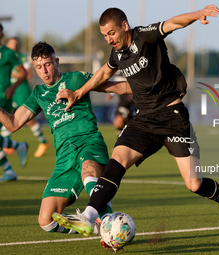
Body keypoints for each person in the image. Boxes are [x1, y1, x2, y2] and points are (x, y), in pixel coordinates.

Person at [53, 5, 219, 246]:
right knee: (118, 159)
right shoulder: (118, 55)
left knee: (194, 184)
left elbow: (173, 23)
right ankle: (89, 216)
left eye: (111, 32)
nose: (108, 39)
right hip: (143, 119)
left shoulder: (145, 35)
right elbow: (104, 72)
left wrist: (197, 15)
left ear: (125, 25)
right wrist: (79, 92)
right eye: (104, 35)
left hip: (172, 117)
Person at [0, 41, 131, 234]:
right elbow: (12, 124)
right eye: (38, 67)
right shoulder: (38, 94)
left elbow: (116, 87)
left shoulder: (76, 79)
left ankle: (109, 228)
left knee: (89, 176)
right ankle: (96, 229)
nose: (43, 71)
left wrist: (150, 88)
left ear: (57, 61)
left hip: (88, 143)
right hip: (64, 158)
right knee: (46, 220)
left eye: (47, 64)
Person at [2, 37, 50, 157]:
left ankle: (43, 142)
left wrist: (14, 74)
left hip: (20, 90)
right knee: (6, 116)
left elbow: (27, 73)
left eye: (16, 43)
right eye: (12, 43)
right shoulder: (5, 55)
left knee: (27, 118)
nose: (14, 46)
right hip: (10, 91)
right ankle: (6, 145)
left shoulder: (20, 56)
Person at [0, 23, 29, 182]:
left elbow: (23, 73)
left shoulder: (8, 53)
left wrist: (13, 87)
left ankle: (9, 170)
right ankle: (19, 147)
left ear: (2, 35)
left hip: (2, 98)